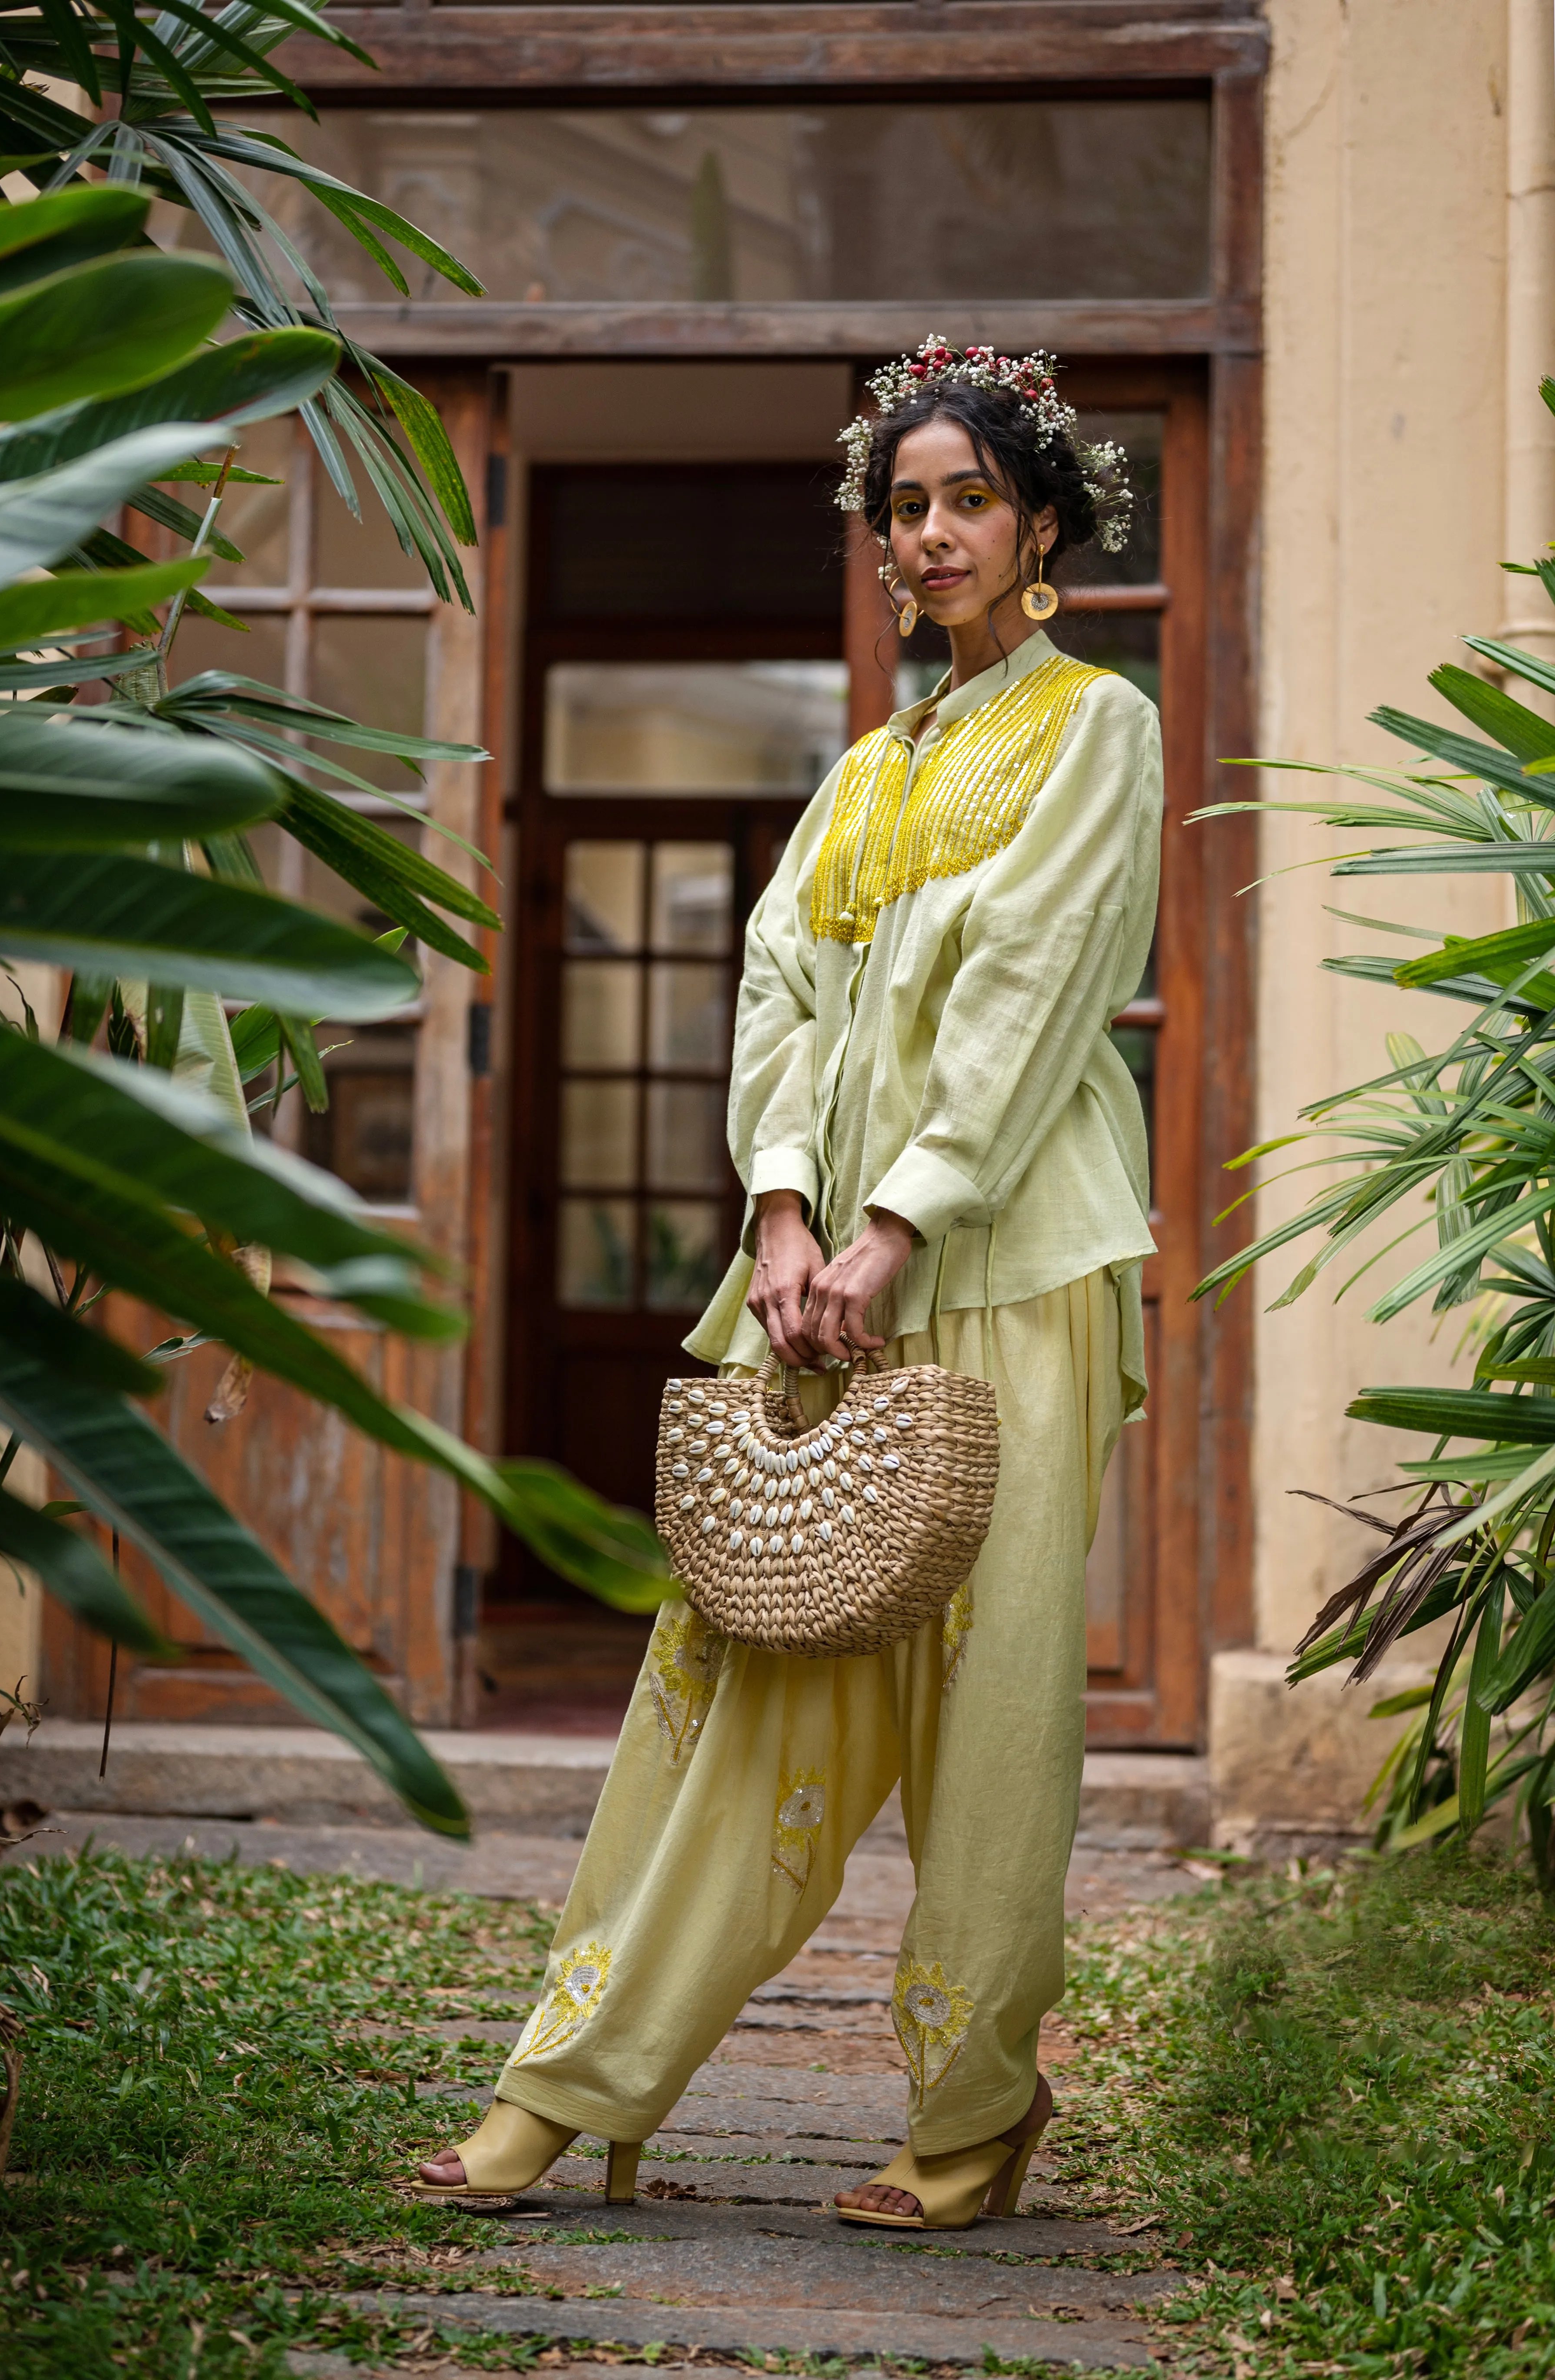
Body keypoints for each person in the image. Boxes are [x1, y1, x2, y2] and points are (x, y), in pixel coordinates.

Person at [417, 337, 1161, 2231]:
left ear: (1040, 521)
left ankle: (976, 2107)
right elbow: (775, 996)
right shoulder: (858, 775)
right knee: (736, 1686)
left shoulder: (1096, 730)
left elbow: (1036, 990)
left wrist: (904, 1215)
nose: (928, 534)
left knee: (993, 1712)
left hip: (1006, 1261)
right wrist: (781, 1218)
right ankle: (572, 2079)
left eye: (966, 500)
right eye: (902, 505)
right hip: (823, 1284)